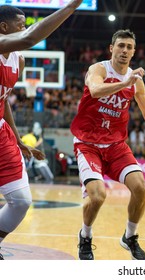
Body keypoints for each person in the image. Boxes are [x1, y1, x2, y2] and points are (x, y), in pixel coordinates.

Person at [70, 29, 145, 260]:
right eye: (120, 46)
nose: (124, 50)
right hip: (88, 144)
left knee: (140, 187)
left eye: (129, 47)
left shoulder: (136, 81)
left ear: (134, 52)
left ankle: (130, 236)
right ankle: (85, 237)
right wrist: (125, 82)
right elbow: (96, 90)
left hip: (116, 145)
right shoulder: (98, 69)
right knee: (97, 196)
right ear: (111, 48)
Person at [0, 1, 83, 260]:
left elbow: (3, 100)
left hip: (1, 131)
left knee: (21, 201)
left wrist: (17, 138)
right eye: (20, 25)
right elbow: (30, 37)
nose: (24, 29)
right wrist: (71, 6)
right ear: (3, 28)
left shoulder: (18, 61)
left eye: (24, 25)